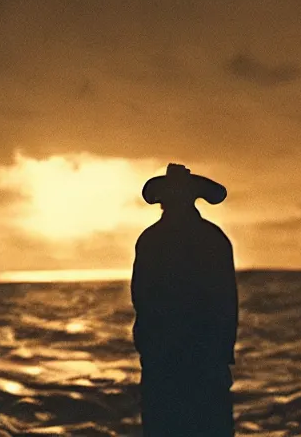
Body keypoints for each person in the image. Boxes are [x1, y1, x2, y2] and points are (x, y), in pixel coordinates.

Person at [131, 163, 238, 436]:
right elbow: (227, 303)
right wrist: (222, 354)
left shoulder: (152, 239)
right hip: (204, 358)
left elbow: (141, 299)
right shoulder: (213, 238)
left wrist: (149, 348)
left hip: (166, 359)